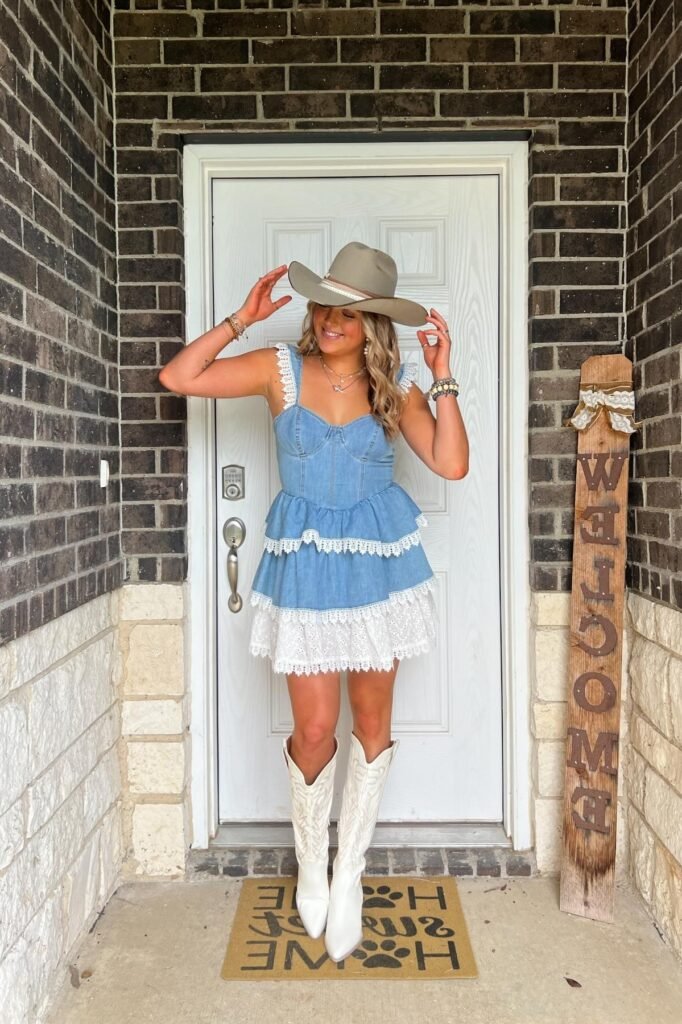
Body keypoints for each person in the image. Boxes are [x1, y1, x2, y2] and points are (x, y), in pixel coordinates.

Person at [158, 241, 469, 962]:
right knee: (314, 729)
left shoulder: (398, 392)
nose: (331, 318)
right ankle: (310, 862)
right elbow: (178, 376)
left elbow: (451, 462)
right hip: (303, 568)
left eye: (350, 312)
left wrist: (444, 374)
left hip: (378, 571)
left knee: (371, 719)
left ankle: (350, 869)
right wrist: (241, 317)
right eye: (326, 304)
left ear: (374, 327)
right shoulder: (281, 372)